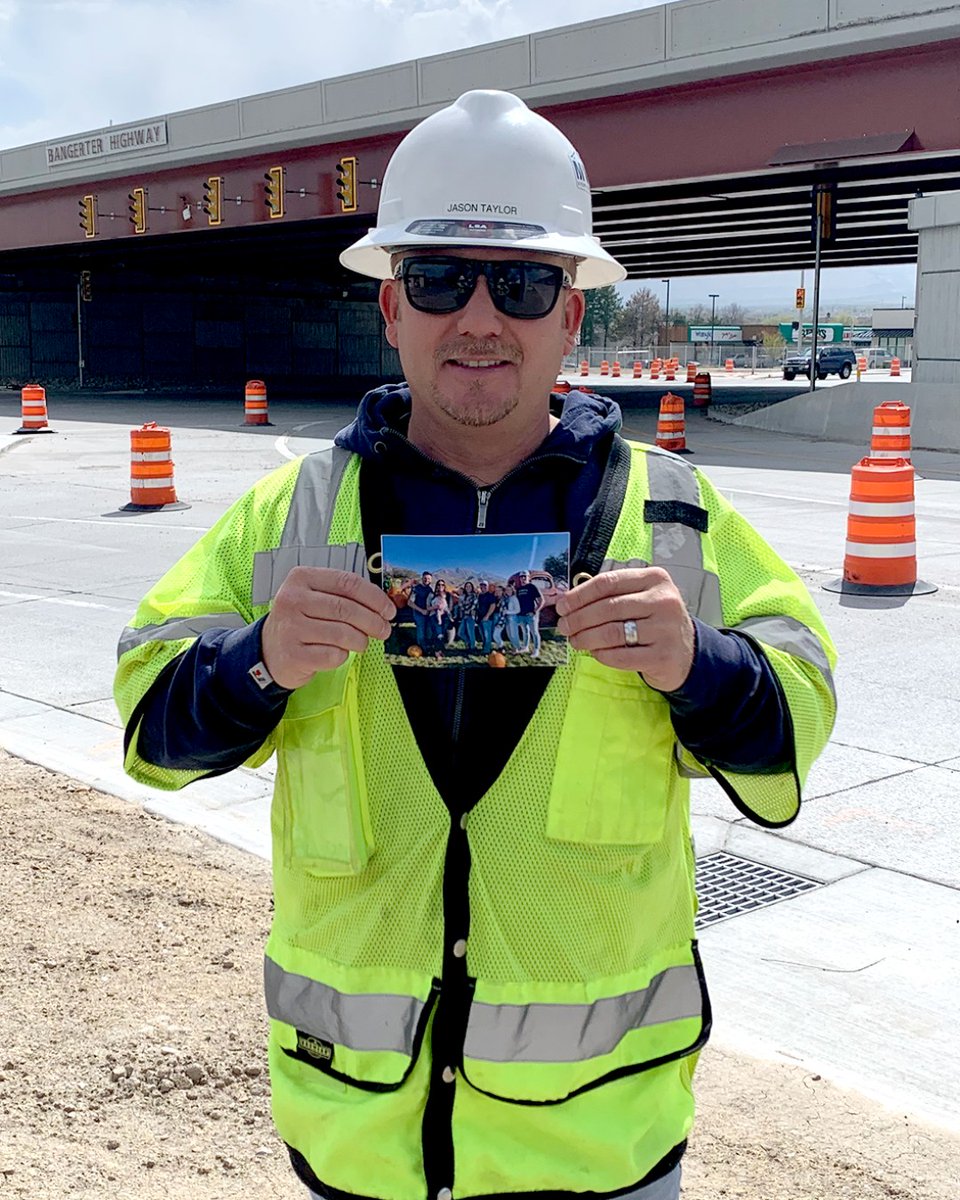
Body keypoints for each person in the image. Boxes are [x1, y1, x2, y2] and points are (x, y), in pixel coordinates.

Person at [114, 89, 836, 1200]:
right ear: (393, 308)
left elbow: (800, 711)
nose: (482, 317)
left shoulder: (678, 520)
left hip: (600, 1145)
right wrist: (257, 660)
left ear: (573, 317)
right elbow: (148, 721)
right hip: (361, 1134)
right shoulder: (292, 517)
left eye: (525, 283)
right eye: (444, 281)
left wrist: (703, 667)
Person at [514, 569, 544, 658]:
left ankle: (536, 649)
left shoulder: (532, 587)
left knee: (534, 632)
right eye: (521, 577)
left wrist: (535, 611)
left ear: (528, 577)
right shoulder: (518, 589)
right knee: (524, 632)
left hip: (531, 615)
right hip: (521, 615)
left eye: (525, 576)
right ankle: (525, 647)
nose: (523, 578)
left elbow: (541, 600)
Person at [408, 569, 434, 650]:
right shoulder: (416, 589)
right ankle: (420, 648)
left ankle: (428, 647)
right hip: (419, 613)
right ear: (422, 578)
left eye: (429, 579)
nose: (427, 580)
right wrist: (421, 611)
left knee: (429, 630)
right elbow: (409, 602)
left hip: (428, 613)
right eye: (425, 578)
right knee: (421, 630)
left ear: (431, 580)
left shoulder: (430, 589)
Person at [476, 578, 499, 654]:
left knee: (487, 635)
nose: (483, 587)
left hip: (487, 619)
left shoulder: (490, 595)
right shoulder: (480, 596)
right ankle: (485, 647)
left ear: (487, 586)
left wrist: (487, 615)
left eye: (485, 585)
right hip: (480, 618)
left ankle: (487, 650)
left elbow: (493, 605)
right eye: (481, 585)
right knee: (483, 634)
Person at [458, 579, 479, 651]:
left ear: (472, 587)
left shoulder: (474, 596)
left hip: (471, 616)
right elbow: (460, 605)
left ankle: (472, 648)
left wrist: (465, 609)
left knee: (471, 633)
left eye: (469, 586)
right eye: (466, 587)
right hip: (465, 616)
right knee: (460, 633)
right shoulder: (464, 596)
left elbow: (473, 606)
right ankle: (469, 642)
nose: (468, 588)